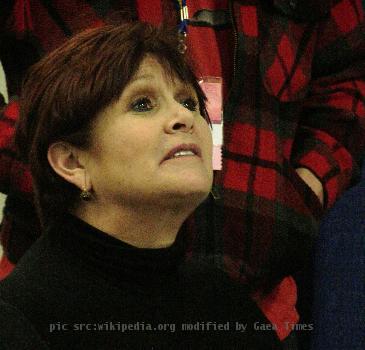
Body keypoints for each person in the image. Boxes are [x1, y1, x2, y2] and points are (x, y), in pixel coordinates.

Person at [0, 1, 364, 347]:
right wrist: (32, 158)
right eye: (142, 104)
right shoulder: (23, 322)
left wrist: (302, 192)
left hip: (257, 291)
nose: (186, 118)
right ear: (71, 162)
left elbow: (348, 73)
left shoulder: (228, 309)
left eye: (189, 102)